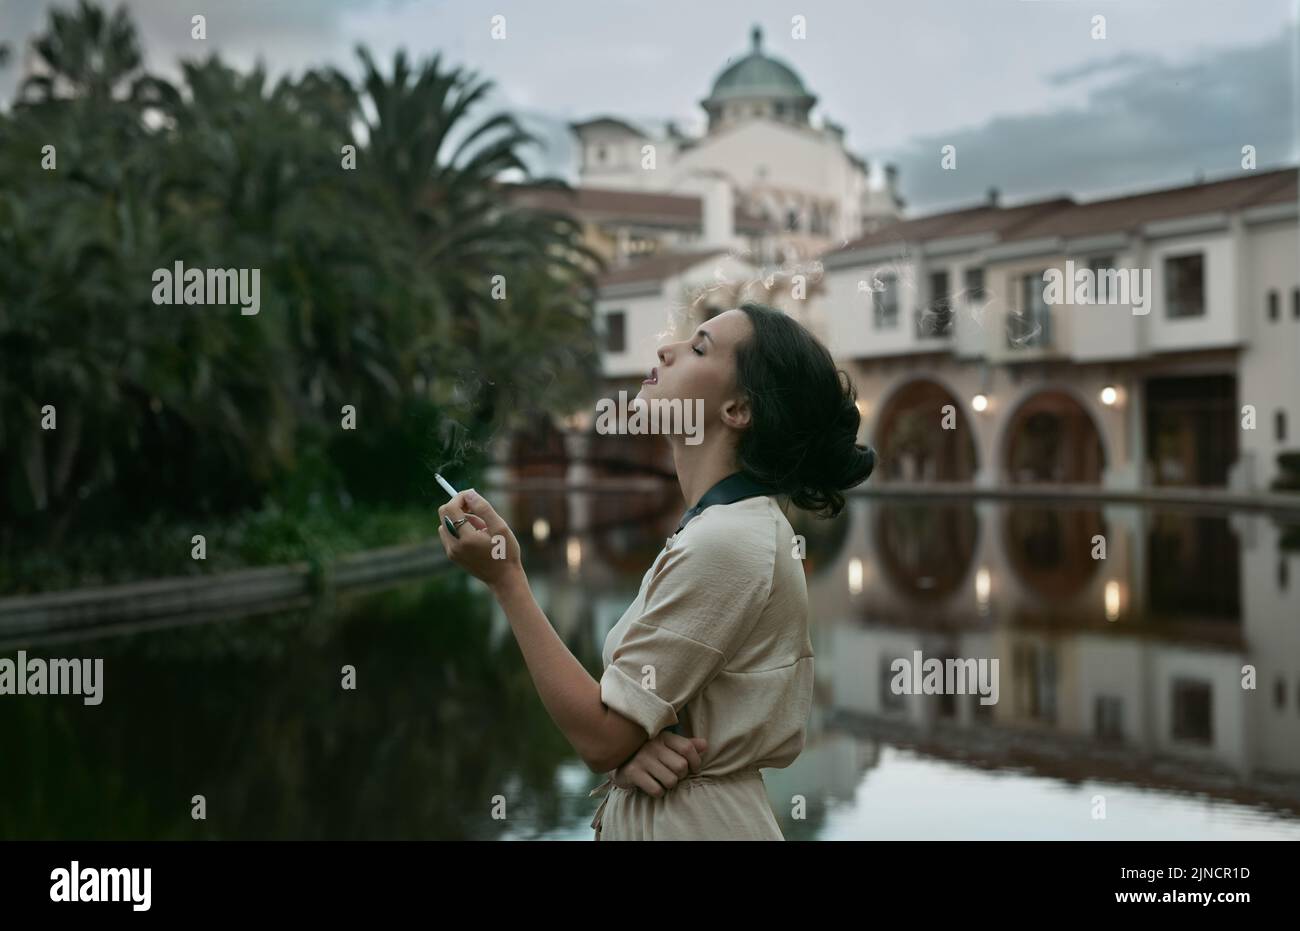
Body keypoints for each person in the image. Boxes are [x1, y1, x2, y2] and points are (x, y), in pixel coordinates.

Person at [438, 301, 875, 839]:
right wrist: (633, 749)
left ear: (738, 409)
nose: (666, 349)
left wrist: (507, 580)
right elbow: (624, 730)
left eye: (699, 349)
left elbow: (600, 737)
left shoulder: (729, 541)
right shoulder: (725, 529)